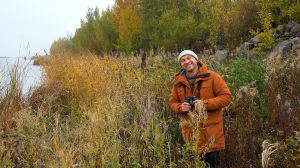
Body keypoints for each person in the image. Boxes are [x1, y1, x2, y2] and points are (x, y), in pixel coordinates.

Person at [169, 50, 232, 167]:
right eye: (183, 60)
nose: (187, 62)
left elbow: (226, 97)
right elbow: (172, 103)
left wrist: (205, 104)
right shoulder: (178, 83)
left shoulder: (212, 77)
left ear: (196, 59)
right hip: (191, 136)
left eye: (189, 58)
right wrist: (180, 107)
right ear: (181, 65)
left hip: (211, 135)